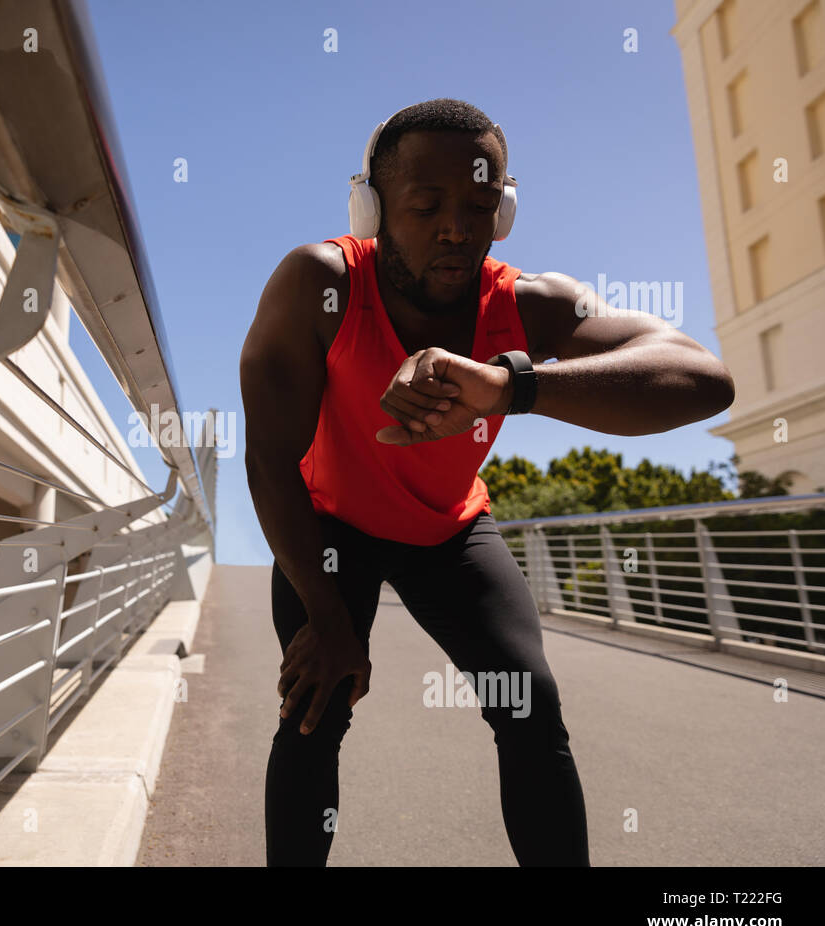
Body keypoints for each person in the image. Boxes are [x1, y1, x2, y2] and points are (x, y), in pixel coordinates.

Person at [239, 98, 735, 867]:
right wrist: (325, 613)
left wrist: (513, 385)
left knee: (530, 706)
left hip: (450, 532)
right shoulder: (320, 283)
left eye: (478, 205)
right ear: (371, 207)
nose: (455, 228)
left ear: (503, 210)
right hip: (330, 528)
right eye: (426, 204)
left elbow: (704, 378)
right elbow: (270, 460)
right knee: (315, 708)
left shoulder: (524, 302)